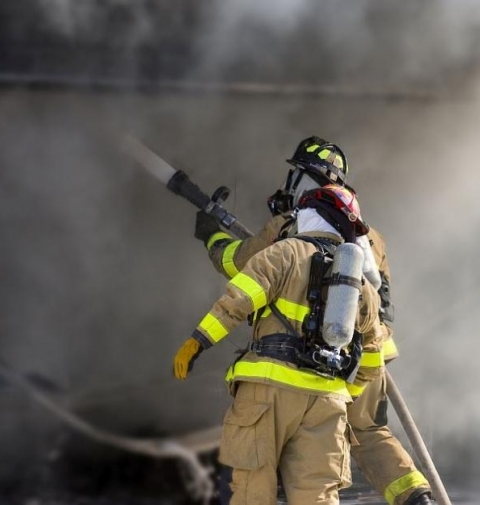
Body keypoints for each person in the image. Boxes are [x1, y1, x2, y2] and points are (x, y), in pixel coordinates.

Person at [194, 137, 433, 505]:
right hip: (370, 348)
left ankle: (282, 484)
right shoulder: (368, 235)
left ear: (305, 179)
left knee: (288, 430)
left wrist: (212, 234)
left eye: (296, 175)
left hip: (309, 356)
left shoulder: (291, 226)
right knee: (369, 429)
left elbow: (239, 266)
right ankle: (415, 496)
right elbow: (382, 297)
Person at [174, 185, 386, 505]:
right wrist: (346, 396)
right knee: (318, 494)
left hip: (269, 390)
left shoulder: (285, 252)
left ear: (309, 214)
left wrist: (198, 341)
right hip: (327, 401)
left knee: (252, 487)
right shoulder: (361, 287)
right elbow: (372, 356)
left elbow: (239, 299)